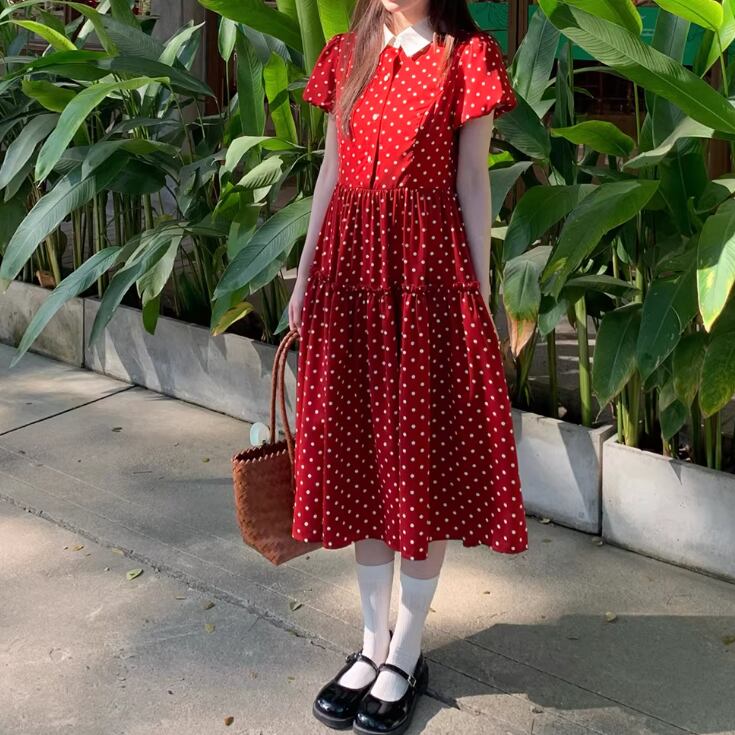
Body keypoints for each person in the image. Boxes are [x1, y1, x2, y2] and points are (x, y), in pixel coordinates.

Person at [287, 1, 529, 732]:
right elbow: (330, 171)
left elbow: (473, 185)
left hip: (427, 280)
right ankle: (370, 644)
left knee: (421, 465)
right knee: (362, 461)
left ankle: (406, 650)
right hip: (349, 275)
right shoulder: (345, 53)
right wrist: (305, 273)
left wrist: (478, 297)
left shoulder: (468, 57)